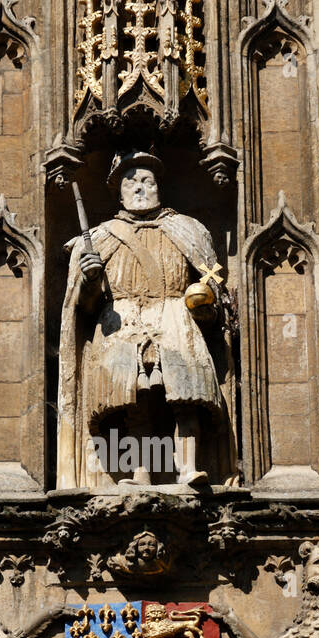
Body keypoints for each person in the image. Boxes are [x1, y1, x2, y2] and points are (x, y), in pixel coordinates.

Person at [57, 151, 236, 489]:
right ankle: (140, 473)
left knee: (186, 396)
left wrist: (205, 306)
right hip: (123, 323)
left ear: (159, 185)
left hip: (175, 318)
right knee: (135, 401)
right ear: (117, 190)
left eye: (147, 180)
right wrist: (90, 279)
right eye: (131, 181)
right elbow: (82, 307)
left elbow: (215, 289)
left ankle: (188, 469)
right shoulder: (100, 238)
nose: (139, 188)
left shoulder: (188, 230)